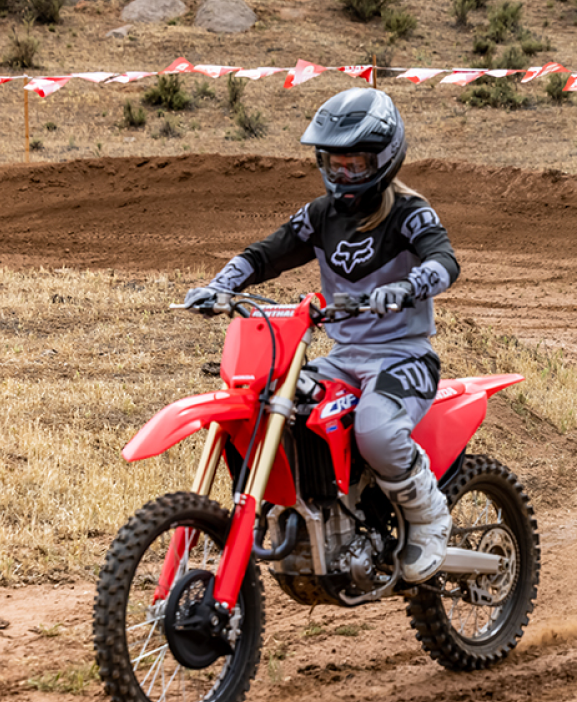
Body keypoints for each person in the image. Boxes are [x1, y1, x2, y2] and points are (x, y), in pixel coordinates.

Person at [183, 88, 458, 584]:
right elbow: (265, 253)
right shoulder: (320, 216)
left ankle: (429, 514)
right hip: (342, 356)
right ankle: (289, 508)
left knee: (376, 430)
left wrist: (408, 286)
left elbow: (444, 261)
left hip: (403, 355)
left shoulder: (409, 213)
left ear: (386, 158)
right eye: (335, 164)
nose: (345, 175)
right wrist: (220, 285)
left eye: (357, 164)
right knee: (270, 403)